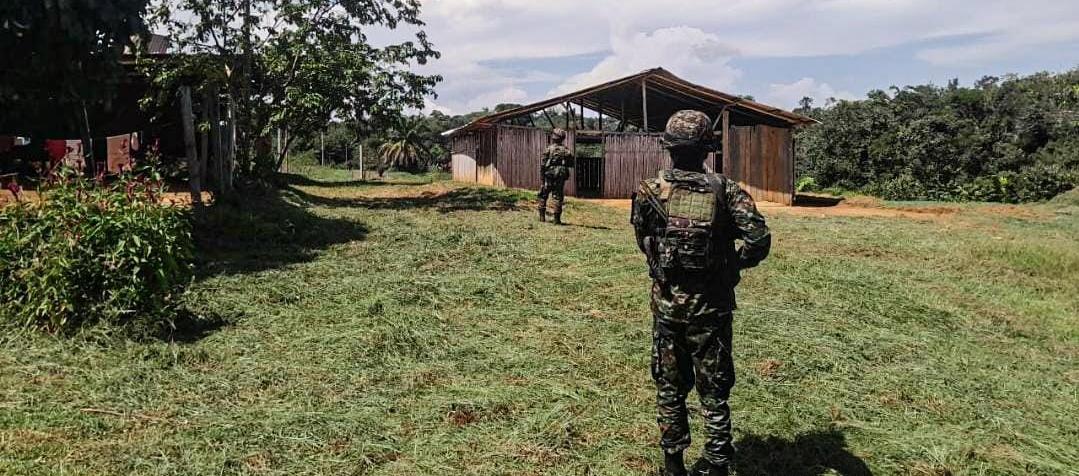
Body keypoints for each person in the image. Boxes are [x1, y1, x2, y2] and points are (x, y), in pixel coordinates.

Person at [630, 110, 771, 476]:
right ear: (709, 147)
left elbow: (642, 238)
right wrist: (733, 266)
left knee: (669, 386)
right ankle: (717, 464)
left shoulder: (649, 190)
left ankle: (673, 463)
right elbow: (758, 239)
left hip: (667, 305)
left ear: (668, 148)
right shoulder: (726, 190)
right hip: (712, 308)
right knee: (715, 389)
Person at [538, 128, 574, 224]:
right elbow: (571, 164)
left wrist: (542, 181)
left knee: (543, 194)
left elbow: (542, 165)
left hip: (548, 176)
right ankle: (557, 220)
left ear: (553, 138)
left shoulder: (548, 149)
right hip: (560, 176)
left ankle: (542, 218)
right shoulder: (566, 151)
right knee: (558, 196)